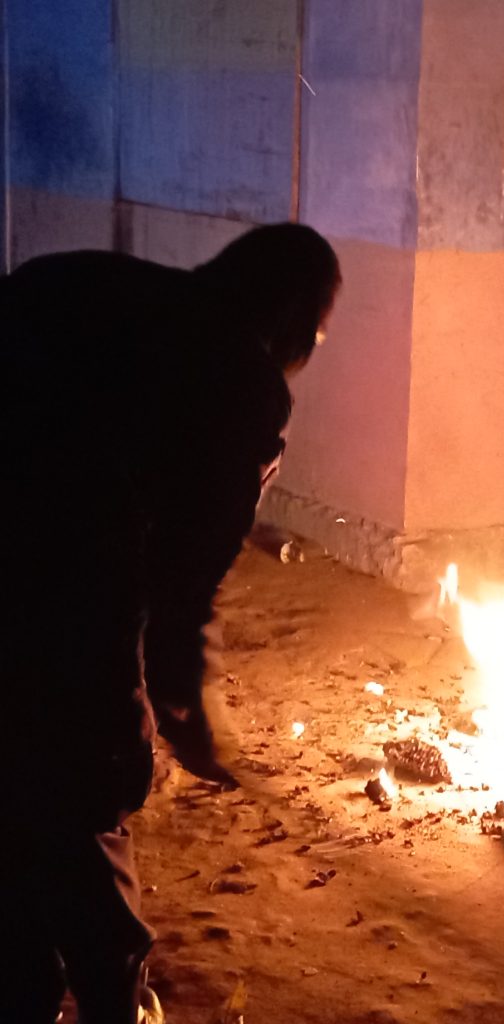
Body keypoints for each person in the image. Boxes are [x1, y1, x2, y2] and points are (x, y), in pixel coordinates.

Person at [0, 223, 341, 1023]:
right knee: (88, 774)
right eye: (317, 330)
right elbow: (181, 588)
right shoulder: (241, 382)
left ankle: (21, 978)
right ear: (290, 316)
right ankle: (109, 987)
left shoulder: (85, 275)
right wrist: (183, 715)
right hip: (52, 582)